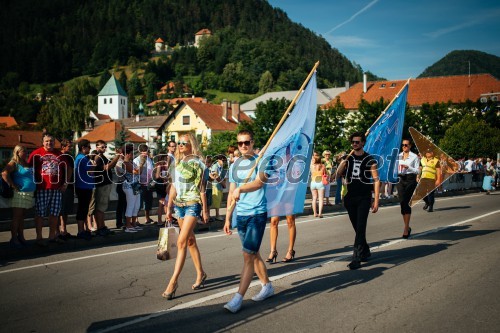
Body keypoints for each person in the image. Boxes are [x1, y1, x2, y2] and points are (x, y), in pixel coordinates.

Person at [223, 129, 274, 313]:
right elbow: (231, 192)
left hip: (257, 214)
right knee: (254, 254)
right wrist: (228, 217)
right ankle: (267, 285)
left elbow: (260, 183)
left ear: (253, 143)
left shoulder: (263, 161)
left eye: (247, 142)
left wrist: (242, 189)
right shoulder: (234, 165)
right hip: (241, 215)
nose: (243, 146)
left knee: (247, 256)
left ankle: (238, 298)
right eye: (240, 143)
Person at [162, 133, 210, 300]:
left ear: (191, 145)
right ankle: (201, 273)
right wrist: (168, 207)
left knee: (181, 242)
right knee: (190, 241)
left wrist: (205, 210)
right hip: (179, 207)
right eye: (179, 142)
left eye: (185, 143)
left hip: (192, 205)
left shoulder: (198, 164)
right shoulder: (177, 163)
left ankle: (173, 282)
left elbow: (202, 189)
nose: (181, 145)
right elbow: (174, 187)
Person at [337, 132, 380, 270]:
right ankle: (365, 250)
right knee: (357, 227)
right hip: (350, 197)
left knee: (361, 227)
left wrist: (376, 200)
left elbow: (376, 180)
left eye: (357, 142)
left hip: (364, 197)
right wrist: (342, 163)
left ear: (362, 143)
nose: (354, 144)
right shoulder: (347, 158)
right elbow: (337, 175)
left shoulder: (370, 159)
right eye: (353, 142)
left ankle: (356, 258)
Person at [28, 133, 72, 246]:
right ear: (42, 142)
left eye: (51, 141)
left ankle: (52, 236)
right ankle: (39, 238)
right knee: (40, 213)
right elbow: (28, 168)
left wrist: (65, 183)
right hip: (42, 188)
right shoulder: (36, 153)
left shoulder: (59, 154)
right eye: (47, 141)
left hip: (57, 189)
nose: (49, 143)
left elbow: (69, 169)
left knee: (55, 213)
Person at [2, 145, 36, 248]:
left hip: (28, 193)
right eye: (23, 151)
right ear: (17, 152)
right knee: (16, 217)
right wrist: (13, 185)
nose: (26, 153)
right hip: (19, 194)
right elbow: (4, 173)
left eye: (26, 151)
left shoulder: (26, 163)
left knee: (22, 218)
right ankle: (14, 239)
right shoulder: (14, 163)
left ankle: (21, 237)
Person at [93, 140, 120, 236]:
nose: (104, 149)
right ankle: (100, 227)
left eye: (105, 147)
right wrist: (117, 156)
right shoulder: (98, 158)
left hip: (105, 184)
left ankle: (102, 226)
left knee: (103, 207)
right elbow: (107, 167)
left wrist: (116, 157)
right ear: (97, 147)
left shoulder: (103, 157)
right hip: (102, 185)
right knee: (100, 207)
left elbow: (111, 165)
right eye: (102, 147)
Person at [396, 139, 420, 239]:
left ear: (410, 146)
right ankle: (407, 226)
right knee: (402, 202)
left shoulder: (414, 156)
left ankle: (406, 228)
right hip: (400, 179)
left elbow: (418, 171)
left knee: (406, 201)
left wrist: (408, 167)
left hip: (410, 179)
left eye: (406, 145)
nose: (404, 146)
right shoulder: (398, 156)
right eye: (403, 145)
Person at [74, 140, 95, 240]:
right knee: (82, 209)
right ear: (83, 148)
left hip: (85, 186)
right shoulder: (82, 158)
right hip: (83, 186)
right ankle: (80, 231)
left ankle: (85, 230)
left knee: (85, 208)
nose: (90, 149)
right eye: (88, 147)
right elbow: (91, 171)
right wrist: (93, 164)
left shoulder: (82, 158)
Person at [120, 144, 143, 233]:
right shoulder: (125, 163)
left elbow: (139, 172)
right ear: (128, 154)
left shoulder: (131, 162)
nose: (133, 155)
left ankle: (133, 223)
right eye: (131, 153)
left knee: (136, 205)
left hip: (135, 185)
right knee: (131, 205)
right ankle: (128, 225)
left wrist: (141, 165)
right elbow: (135, 172)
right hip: (129, 186)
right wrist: (141, 164)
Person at [58, 139, 75, 240]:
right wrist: (64, 184)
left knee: (66, 209)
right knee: (60, 209)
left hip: (70, 186)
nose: (71, 148)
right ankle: (60, 231)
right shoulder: (60, 156)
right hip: (62, 186)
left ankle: (64, 229)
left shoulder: (70, 157)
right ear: (63, 147)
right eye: (69, 146)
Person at [134, 144, 155, 224]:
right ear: (140, 152)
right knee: (138, 203)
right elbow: (136, 172)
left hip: (148, 184)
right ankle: (136, 219)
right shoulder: (136, 160)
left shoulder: (149, 159)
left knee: (148, 202)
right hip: (140, 184)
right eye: (143, 152)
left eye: (146, 152)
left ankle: (147, 218)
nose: (145, 153)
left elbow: (152, 170)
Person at [418, 148, 441, 213]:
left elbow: (438, 171)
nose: (427, 153)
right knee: (420, 193)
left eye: (429, 152)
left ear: (432, 153)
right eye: (426, 152)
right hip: (423, 178)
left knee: (430, 194)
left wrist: (438, 180)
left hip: (431, 179)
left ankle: (431, 207)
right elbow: (420, 169)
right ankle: (427, 202)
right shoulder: (422, 160)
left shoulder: (436, 160)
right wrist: (418, 176)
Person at [209, 154, 225, 221]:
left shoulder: (221, 167)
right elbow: (215, 175)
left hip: (219, 185)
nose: (223, 161)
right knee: (216, 201)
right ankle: (217, 215)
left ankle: (217, 215)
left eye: (224, 160)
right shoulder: (215, 166)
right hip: (215, 185)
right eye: (222, 160)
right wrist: (223, 183)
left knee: (218, 201)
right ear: (218, 160)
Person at [114, 147, 127, 229]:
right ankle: (119, 222)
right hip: (121, 184)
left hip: (124, 184)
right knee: (121, 204)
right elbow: (123, 172)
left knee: (125, 204)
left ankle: (125, 221)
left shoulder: (124, 162)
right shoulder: (119, 162)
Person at [310, 151, 325, 218]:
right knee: (321, 199)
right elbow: (326, 173)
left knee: (314, 198)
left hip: (313, 183)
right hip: (320, 182)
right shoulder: (322, 166)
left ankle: (315, 213)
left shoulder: (312, 166)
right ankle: (320, 213)